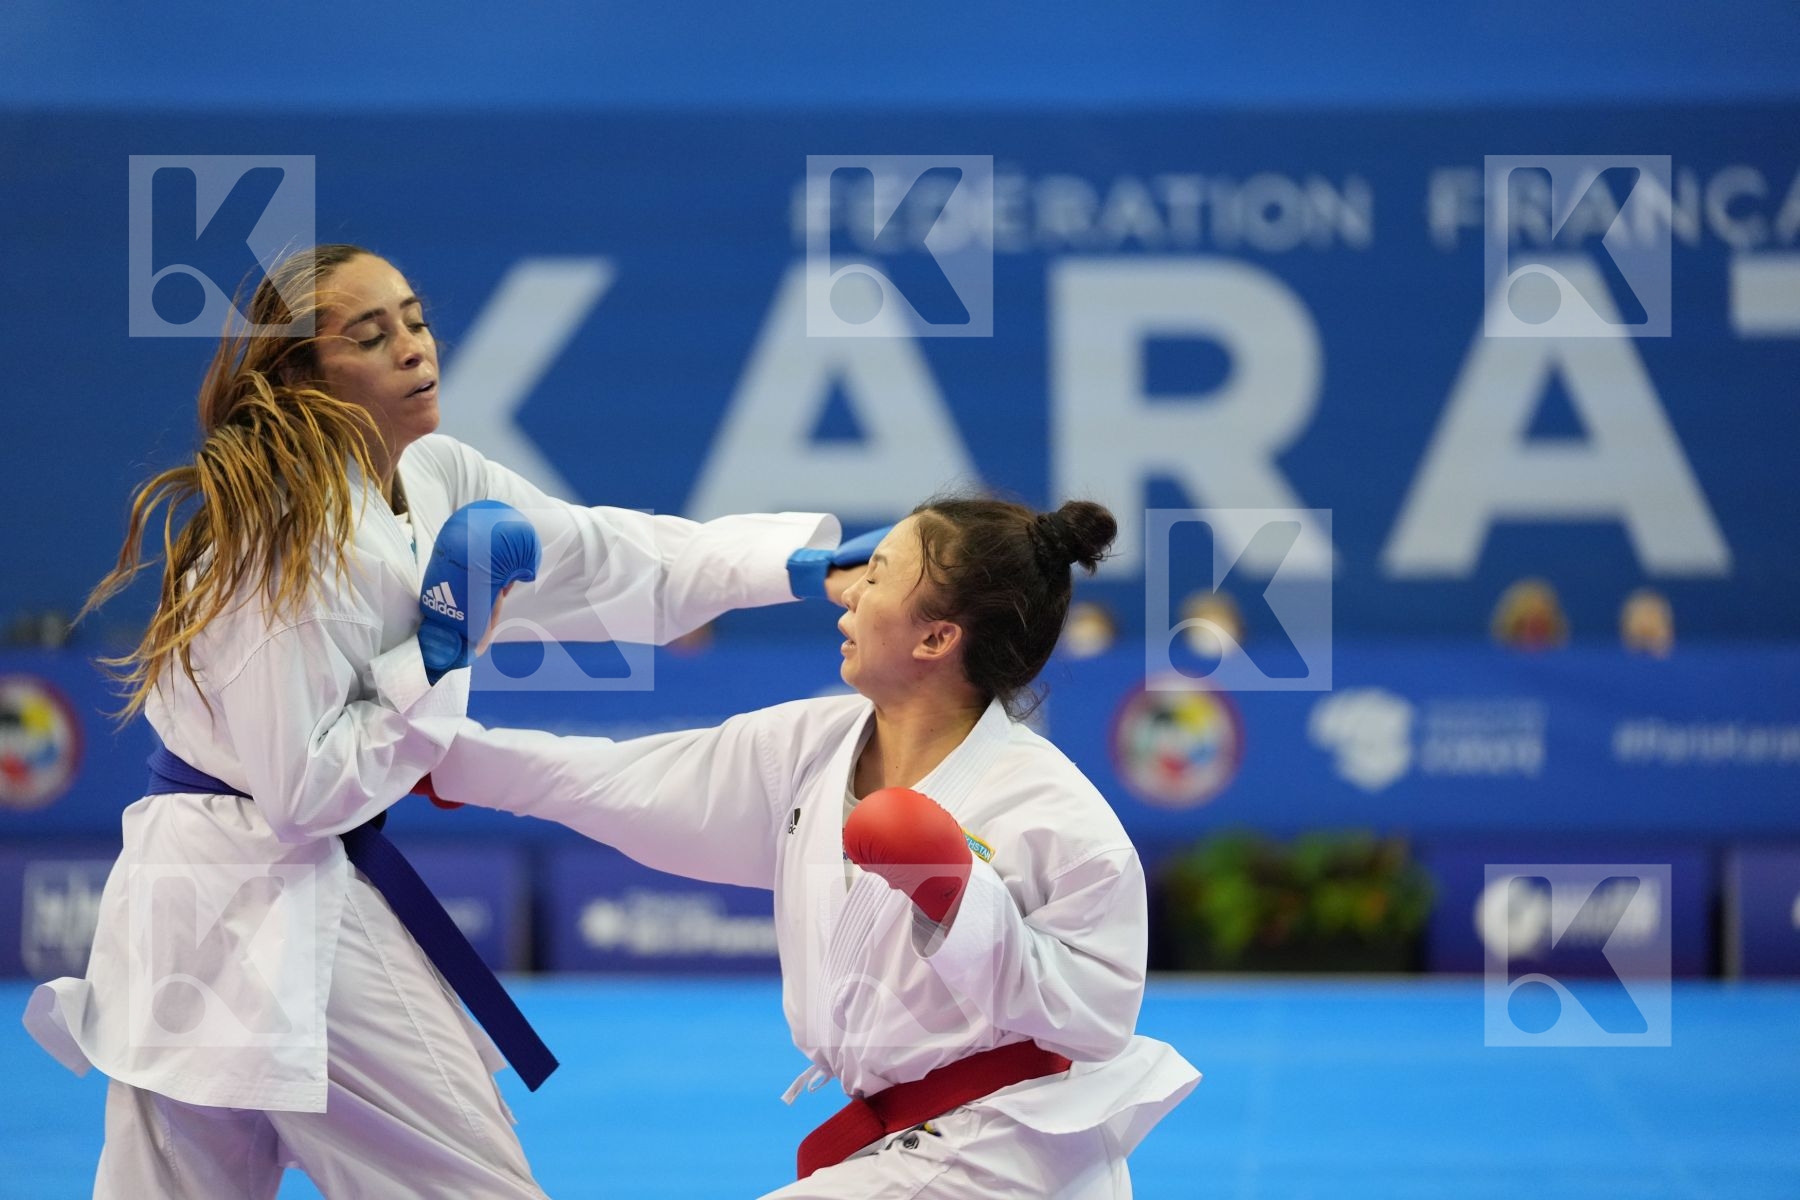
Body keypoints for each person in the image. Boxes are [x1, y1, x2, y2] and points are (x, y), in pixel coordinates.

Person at [23, 243, 863, 1198]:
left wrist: (785, 568)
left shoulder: (436, 474)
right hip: (256, 908)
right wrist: (436, 651)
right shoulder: (277, 545)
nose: (414, 349)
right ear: (304, 377)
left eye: (415, 321)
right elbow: (304, 791)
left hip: (255, 909)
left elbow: (605, 556)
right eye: (371, 336)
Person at [423, 496, 1202, 1198]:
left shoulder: (1051, 812)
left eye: (879, 576)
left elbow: (1099, 1017)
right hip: (904, 1145)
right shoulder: (813, 745)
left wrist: (962, 901)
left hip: (1011, 1156)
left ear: (935, 636)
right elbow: (629, 780)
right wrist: (443, 759)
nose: (851, 592)